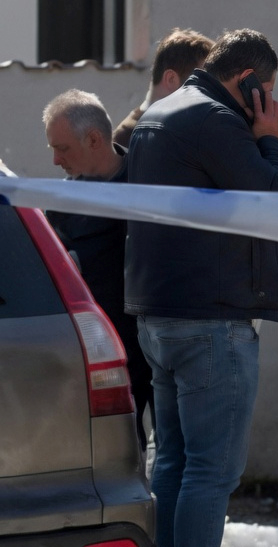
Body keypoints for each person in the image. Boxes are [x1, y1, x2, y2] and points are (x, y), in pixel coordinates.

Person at [125, 28, 278, 547]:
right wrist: (271, 139)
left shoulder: (159, 115)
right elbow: (274, 198)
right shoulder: (217, 122)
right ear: (247, 80)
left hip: (160, 317)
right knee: (210, 472)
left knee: (171, 467)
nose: (270, 104)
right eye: (267, 92)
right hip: (211, 319)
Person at [41, 90, 152, 450]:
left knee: (174, 450)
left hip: (163, 340)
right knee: (119, 452)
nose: (56, 161)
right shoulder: (61, 205)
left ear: (93, 139)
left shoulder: (149, 181)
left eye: (63, 148)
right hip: (105, 356)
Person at [113, 28, 213, 146]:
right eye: (204, 83)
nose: (211, 94)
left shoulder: (176, 129)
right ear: (171, 79)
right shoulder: (128, 139)